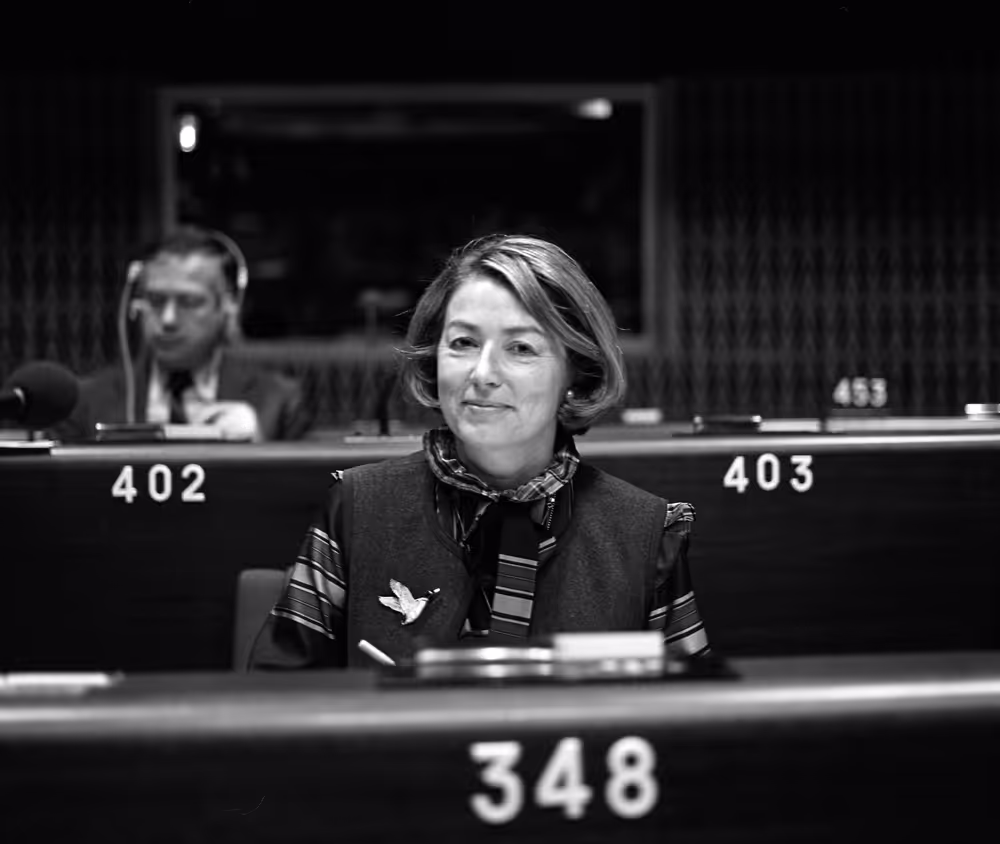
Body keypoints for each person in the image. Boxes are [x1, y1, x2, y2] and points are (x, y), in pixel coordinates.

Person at [249, 234, 708, 669]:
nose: (483, 373)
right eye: (463, 343)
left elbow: (688, 722)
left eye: (521, 348)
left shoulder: (647, 535)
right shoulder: (354, 507)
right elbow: (277, 702)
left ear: (577, 374)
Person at [51, 227, 312, 442]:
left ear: (228, 307)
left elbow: (311, 499)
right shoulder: (86, 402)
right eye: (155, 300)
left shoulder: (278, 401)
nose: (168, 320)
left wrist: (260, 444)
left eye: (189, 302)